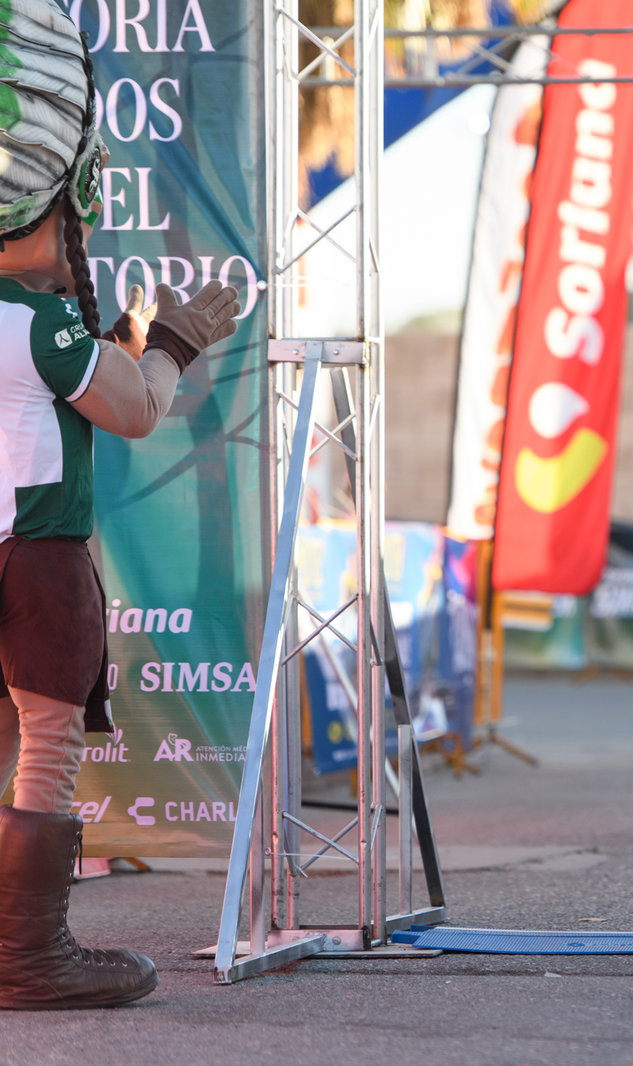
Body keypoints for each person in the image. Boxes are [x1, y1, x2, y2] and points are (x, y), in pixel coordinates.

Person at [0, 0, 242, 1010]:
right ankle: (29, 954)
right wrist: (180, 335)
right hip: (37, 555)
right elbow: (139, 409)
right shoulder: (43, 324)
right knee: (46, 741)